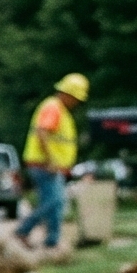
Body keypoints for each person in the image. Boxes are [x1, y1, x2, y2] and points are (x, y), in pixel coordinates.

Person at [15, 73, 88, 250]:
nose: (76, 103)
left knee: (55, 204)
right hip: (45, 166)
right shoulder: (53, 108)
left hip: (51, 166)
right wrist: (51, 160)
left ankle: (52, 241)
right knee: (55, 202)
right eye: (76, 98)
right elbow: (42, 132)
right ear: (68, 94)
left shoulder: (59, 110)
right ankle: (24, 230)